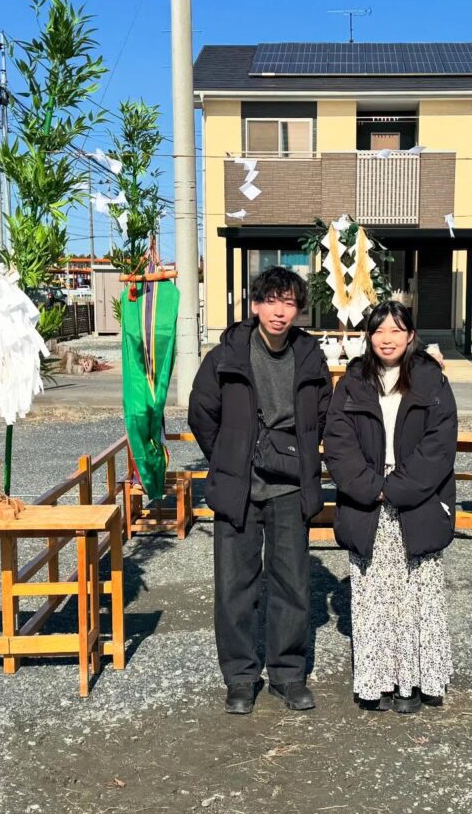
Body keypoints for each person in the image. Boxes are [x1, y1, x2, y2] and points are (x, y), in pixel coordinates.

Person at [188, 266, 332, 715]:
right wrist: (230, 457)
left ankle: (287, 675)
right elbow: (201, 412)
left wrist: (297, 451)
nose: (279, 311)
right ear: (254, 305)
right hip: (240, 488)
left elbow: (322, 415)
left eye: (288, 303)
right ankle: (240, 677)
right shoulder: (227, 353)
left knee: (292, 582)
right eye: (271, 301)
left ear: (298, 310)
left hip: (290, 485)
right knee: (235, 586)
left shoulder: (309, 355)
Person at [324, 301, 457, 714]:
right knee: (373, 596)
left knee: (419, 593)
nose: (387, 339)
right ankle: (376, 681)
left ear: (411, 335)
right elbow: (339, 441)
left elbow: (439, 445)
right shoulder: (351, 384)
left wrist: (395, 488)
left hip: (417, 499)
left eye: (396, 331)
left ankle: (419, 681)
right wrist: (370, 487)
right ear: (369, 336)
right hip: (367, 501)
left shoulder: (432, 381)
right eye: (379, 331)